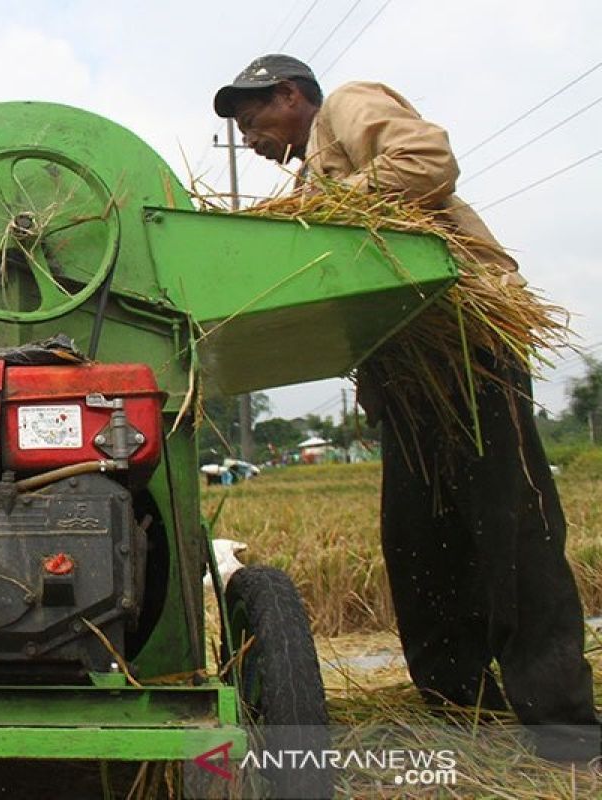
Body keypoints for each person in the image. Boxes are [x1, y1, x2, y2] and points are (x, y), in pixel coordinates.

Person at [212, 55, 599, 762]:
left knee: (512, 531)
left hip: (464, 350)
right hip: (406, 377)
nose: (250, 141)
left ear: (290, 96)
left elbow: (426, 160)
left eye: (252, 121)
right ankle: (458, 705)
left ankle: (563, 727)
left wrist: (328, 209)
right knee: (419, 541)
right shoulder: (306, 180)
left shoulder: (347, 109)